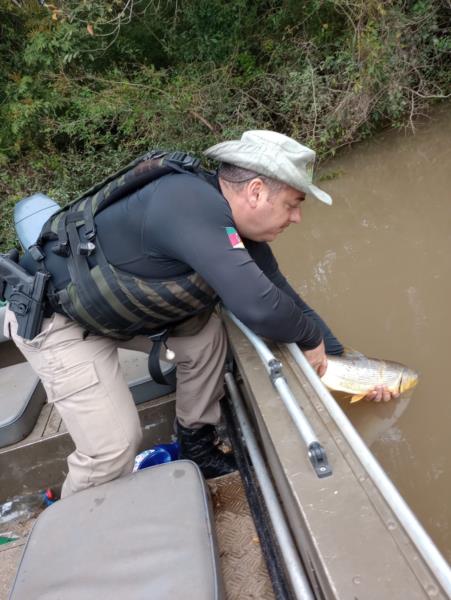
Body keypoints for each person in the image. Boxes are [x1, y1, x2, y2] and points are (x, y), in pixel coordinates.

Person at [3, 130, 397, 497]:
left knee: (205, 336)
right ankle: (75, 541)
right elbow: (258, 306)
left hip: (114, 311)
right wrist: (309, 340)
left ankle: (196, 446)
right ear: (257, 191)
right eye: (293, 204)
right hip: (59, 322)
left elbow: (286, 299)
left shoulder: (239, 229)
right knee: (113, 447)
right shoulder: (187, 202)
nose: (297, 218)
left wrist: (344, 363)